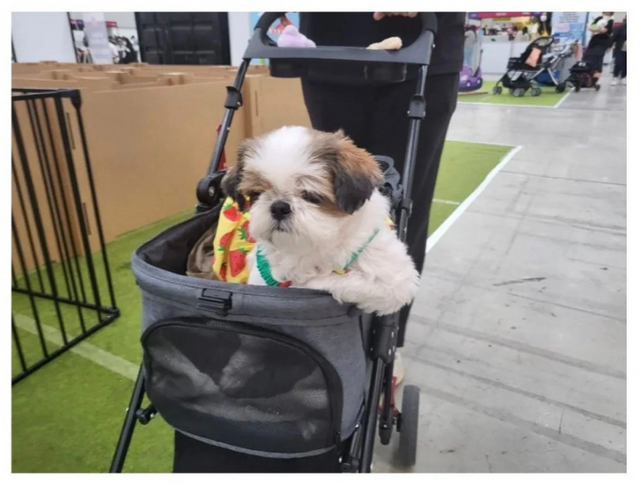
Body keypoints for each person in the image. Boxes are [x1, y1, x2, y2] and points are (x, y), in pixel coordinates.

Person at [299, 12, 465, 364]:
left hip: (422, 45)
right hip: (329, 49)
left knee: (402, 207)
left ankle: (386, 344)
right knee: (329, 202)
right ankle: (328, 333)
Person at [586, 12, 614, 83]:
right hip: (594, 40)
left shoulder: (611, 20)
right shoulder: (599, 18)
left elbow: (604, 30)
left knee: (598, 58)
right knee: (588, 56)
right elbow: (590, 27)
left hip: (603, 41)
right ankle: (587, 76)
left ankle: (594, 79)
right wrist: (599, 29)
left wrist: (596, 29)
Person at [611, 17, 627, 85]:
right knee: (618, 62)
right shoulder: (620, 28)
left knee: (626, 63)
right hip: (620, 47)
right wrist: (609, 45)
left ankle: (624, 77)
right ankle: (615, 76)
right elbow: (614, 37)